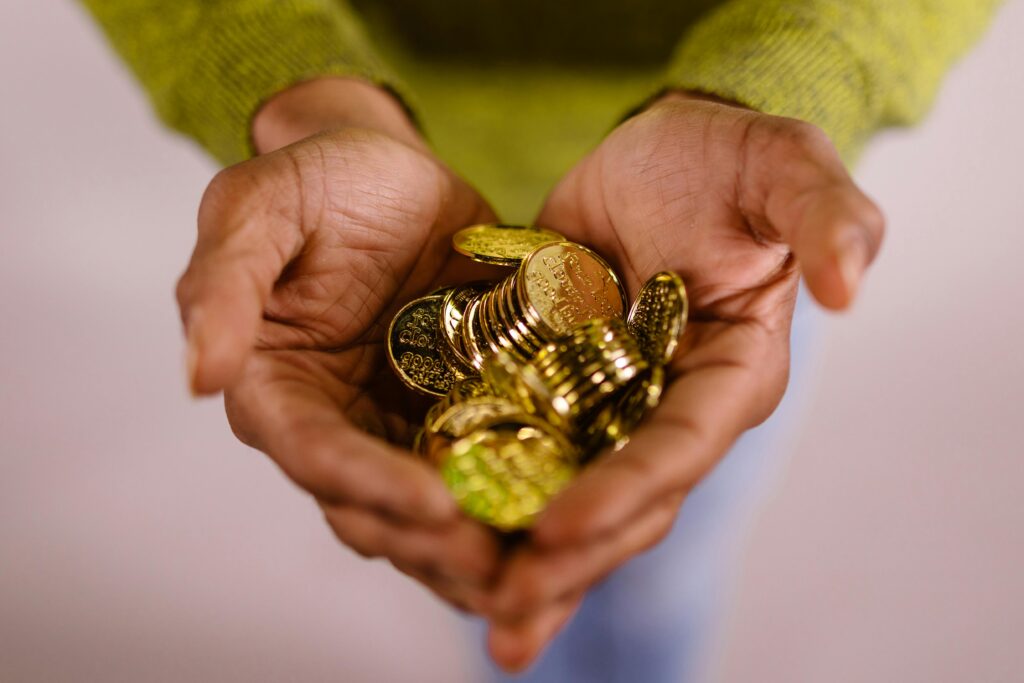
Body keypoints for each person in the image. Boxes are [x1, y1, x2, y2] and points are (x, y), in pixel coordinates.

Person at [81, 1, 1002, 680]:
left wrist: (801, 61)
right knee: (487, 569)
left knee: (663, 566)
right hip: (383, 172)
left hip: (724, 235)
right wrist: (297, 88)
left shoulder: (709, 272)